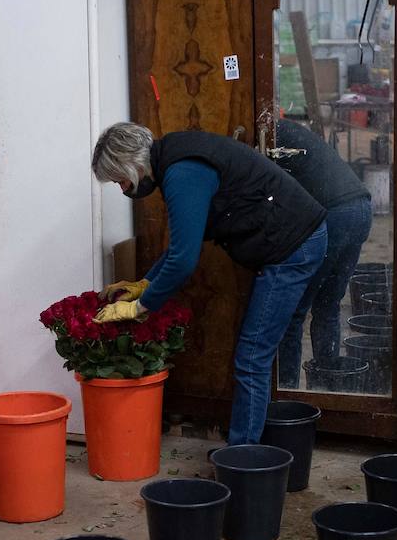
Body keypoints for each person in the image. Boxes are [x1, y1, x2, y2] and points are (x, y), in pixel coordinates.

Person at [90, 122, 328, 445]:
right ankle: (251, 448)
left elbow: (184, 261)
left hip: (294, 248)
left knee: (252, 357)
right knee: (258, 352)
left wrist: (139, 306)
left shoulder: (182, 173)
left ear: (132, 165)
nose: (122, 189)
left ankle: (242, 459)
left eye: (119, 179)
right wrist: (145, 283)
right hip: (293, 239)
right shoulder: (175, 157)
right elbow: (182, 247)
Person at [272, 119, 373, 389]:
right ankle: (328, 389)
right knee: (328, 304)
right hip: (361, 209)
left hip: (336, 215)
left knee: (294, 311)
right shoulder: (292, 132)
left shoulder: (271, 137)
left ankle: (289, 393)